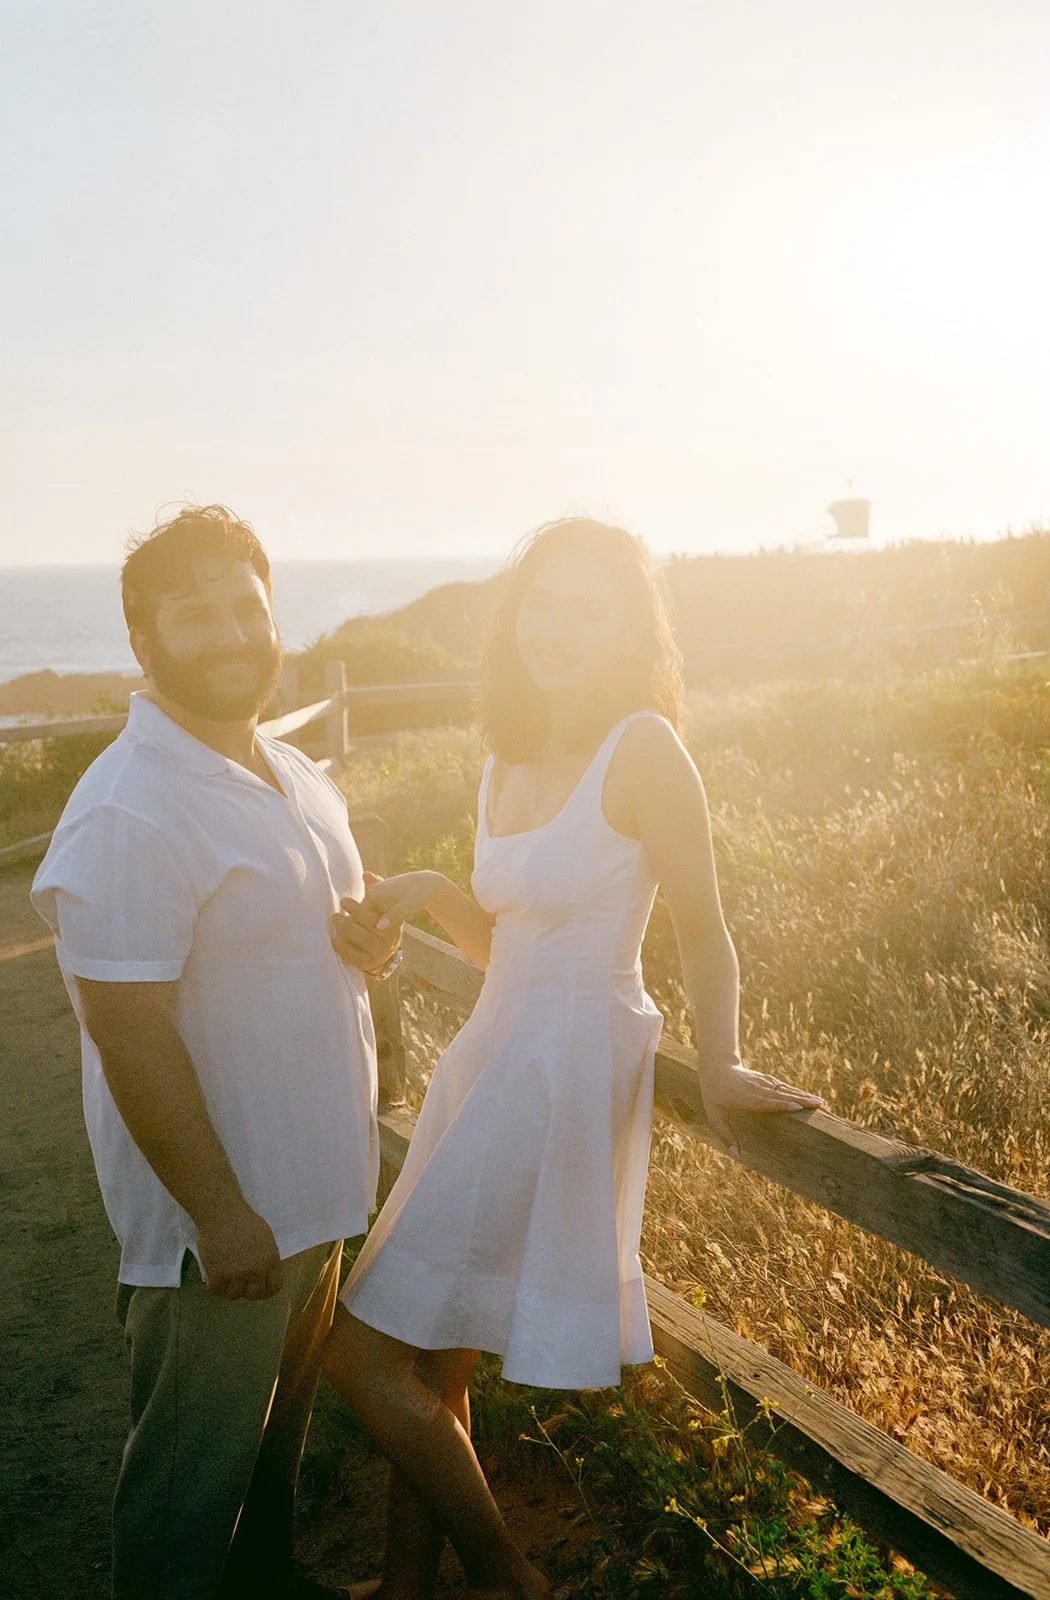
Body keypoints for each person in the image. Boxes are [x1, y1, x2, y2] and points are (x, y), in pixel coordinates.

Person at [324, 517, 825, 1600]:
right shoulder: (504, 750)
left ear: (630, 629)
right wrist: (425, 888)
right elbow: (511, 939)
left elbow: (701, 928)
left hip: (561, 1068)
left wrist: (724, 1059)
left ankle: (508, 1578)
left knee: (359, 1353)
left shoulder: (644, 746)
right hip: (494, 1053)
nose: (557, 629)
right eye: (541, 604)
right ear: (514, 620)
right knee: (431, 1350)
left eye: (587, 609)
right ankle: (405, 1589)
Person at [30, 505, 395, 1600]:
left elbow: (301, 939)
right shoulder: (132, 810)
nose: (232, 631)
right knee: (189, 1494)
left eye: (247, 605)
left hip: (312, 1198)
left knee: (268, 1464)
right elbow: (124, 1023)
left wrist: (364, 938)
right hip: (222, 1230)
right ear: (143, 642)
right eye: (196, 614)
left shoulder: (291, 774)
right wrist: (220, 1212)